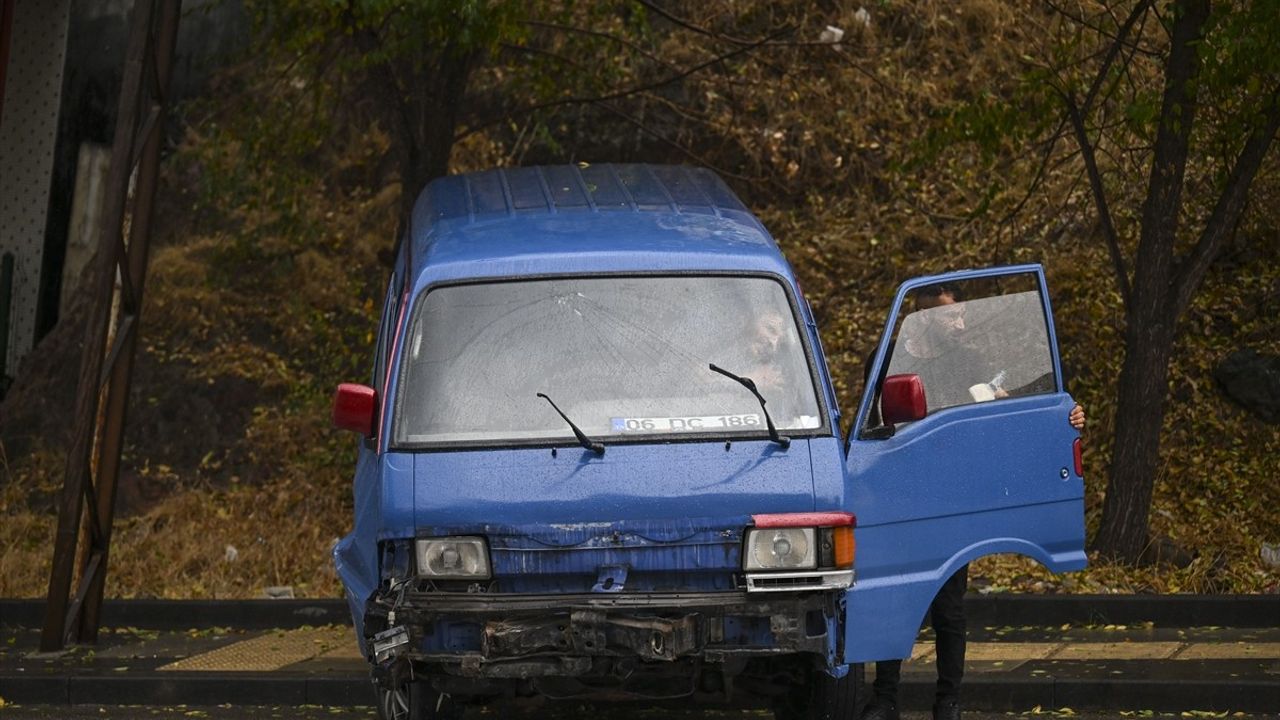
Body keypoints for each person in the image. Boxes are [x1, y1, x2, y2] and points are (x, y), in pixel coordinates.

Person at [860, 283, 1085, 720]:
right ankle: (885, 698)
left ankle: (949, 700)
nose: (961, 324)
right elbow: (870, 425)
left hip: (950, 497)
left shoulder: (970, 361)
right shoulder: (885, 359)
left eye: (962, 315)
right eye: (951, 317)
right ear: (922, 314)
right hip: (900, 495)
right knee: (895, 600)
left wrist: (1065, 416)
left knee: (949, 606)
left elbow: (999, 416)